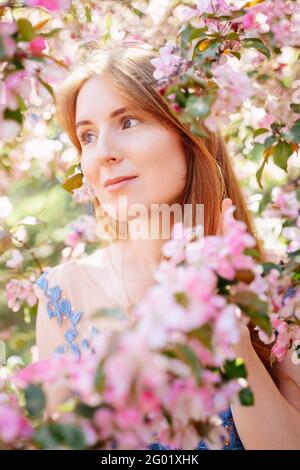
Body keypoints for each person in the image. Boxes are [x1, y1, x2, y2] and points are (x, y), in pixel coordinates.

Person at [33, 44, 300, 450]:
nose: (103, 153)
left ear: (189, 134)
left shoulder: (279, 284)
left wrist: (235, 344)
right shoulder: (63, 292)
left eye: (128, 121)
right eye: (87, 135)